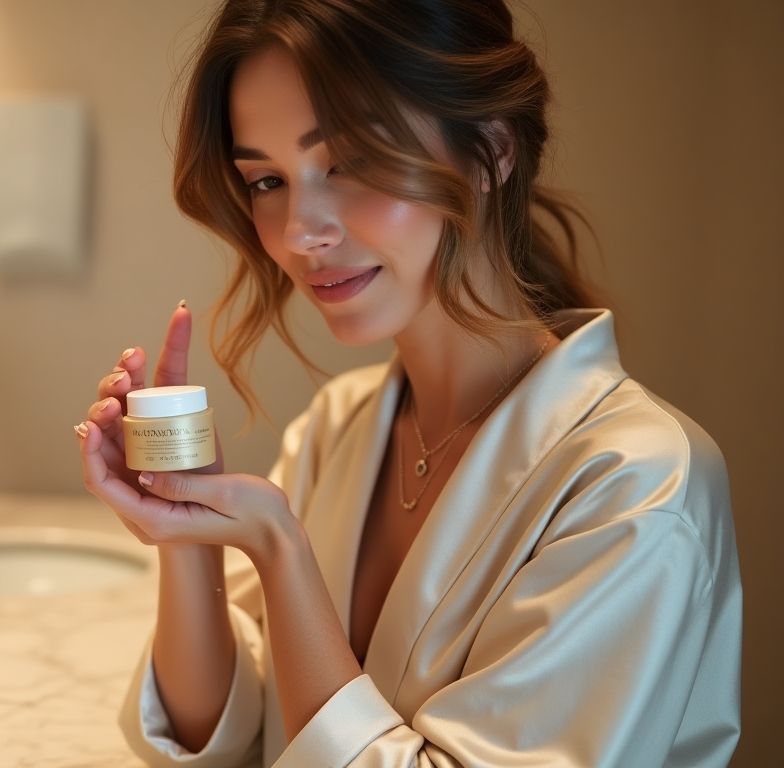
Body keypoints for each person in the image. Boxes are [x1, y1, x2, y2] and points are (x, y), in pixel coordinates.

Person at [72, 0, 742, 765]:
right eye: (266, 180)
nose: (300, 231)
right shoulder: (340, 427)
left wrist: (278, 548)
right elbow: (221, 737)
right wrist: (187, 531)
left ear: (490, 151)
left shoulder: (639, 485)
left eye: (349, 163)